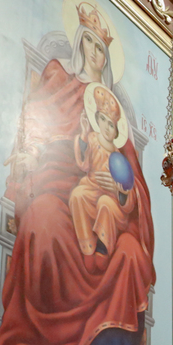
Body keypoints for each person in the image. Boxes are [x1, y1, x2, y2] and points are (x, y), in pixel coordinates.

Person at [0, 0, 156, 345]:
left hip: (108, 211)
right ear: (80, 43)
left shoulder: (115, 120)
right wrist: (31, 154)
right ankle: (44, 340)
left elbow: (134, 184)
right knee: (43, 220)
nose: (96, 54)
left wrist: (121, 191)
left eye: (103, 49)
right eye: (91, 44)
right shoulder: (58, 80)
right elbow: (32, 130)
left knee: (131, 252)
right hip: (56, 187)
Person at [70, 84, 137, 260]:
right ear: (97, 120)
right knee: (77, 194)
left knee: (105, 203)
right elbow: (84, 164)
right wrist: (84, 135)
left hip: (111, 199)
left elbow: (129, 191)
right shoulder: (92, 139)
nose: (107, 127)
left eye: (111, 125)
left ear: (116, 132)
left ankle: (103, 246)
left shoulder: (118, 156)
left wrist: (118, 191)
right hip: (90, 189)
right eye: (103, 120)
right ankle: (87, 245)